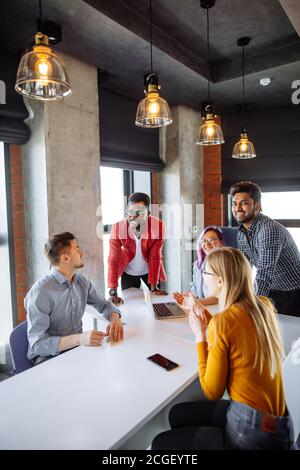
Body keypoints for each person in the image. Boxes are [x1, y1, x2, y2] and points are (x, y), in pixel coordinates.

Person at [152, 247, 294, 450]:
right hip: (278, 428)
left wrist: (200, 337)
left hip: (251, 435)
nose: (203, 276)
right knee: (177, 414)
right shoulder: (263, 306)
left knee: (161, 443)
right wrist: (196, 309)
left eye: (206, 272)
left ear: (220, 280)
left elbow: (212, 391)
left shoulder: (224, 322)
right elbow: (231, 334)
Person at [25, 232, 124, 366]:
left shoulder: (81, 282)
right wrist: (79, 339)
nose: (81, 253)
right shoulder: (40, 292)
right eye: (77, 249)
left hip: (76, 351)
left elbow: (104, 305)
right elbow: (37, 345)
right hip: (48, 359)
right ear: (65, 258)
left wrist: (114, 318)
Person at [230, 180, 300, 316]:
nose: (237, 208)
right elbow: (244, 269)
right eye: (234, 203)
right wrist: (235, 298)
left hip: (295, 293)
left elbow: (264, 274)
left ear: (257, 206)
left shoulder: (268, 229)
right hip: (274, 291)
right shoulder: (242, 233)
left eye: (244, 203)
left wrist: (251, 307)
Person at [107, 192, 167, 305]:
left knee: (154, 304)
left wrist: (154, 287)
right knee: (129, 305)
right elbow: (113, 259)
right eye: (130, 211)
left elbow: (155, 256)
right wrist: (113, 291)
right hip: (128, 272)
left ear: (147, 213)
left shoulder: (158, 226)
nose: (133, 216)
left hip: (149, 271)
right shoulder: (118, 227)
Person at [190, 225, 224, 305]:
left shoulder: (227, 263)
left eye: (211, 240)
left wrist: (196, 303)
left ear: (221, 242)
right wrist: (187, 297)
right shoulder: (198, 265)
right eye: (203, 241)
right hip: (205, 308)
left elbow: (224, 295)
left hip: (221, 309)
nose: (207, 244)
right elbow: (194, 290)